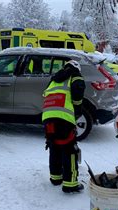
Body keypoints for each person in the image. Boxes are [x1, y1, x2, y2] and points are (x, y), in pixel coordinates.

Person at [42, 60, 86, 193]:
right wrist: (77, 111)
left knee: (54, 145)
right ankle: (70, 184)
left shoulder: (54, 79)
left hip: (48, 118)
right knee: (69, 149)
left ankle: (55, 178)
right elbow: (77, 95)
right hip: (64, 118)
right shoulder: (76, 76)